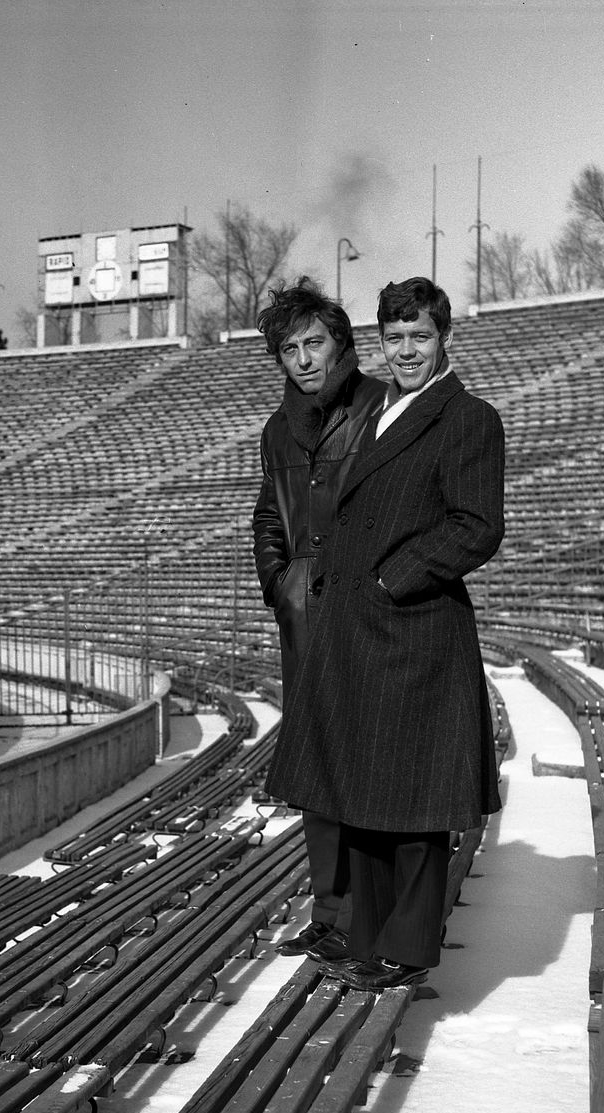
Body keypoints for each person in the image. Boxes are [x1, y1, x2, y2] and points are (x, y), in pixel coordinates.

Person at [263, 276, 505, 990]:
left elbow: (477, 526)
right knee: (367, 799)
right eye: (395, 338)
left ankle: (406, 946)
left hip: (416, 630)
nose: (406, 350)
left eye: (420, 337)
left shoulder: (468, 417)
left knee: (416, 807)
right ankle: (366, 939)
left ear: (444, 338)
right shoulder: (381, 413)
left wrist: (389, 579)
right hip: (360, 634)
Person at [252, 278, 387, 960]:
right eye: (289, 349)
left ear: (343, 345)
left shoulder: (380, 407)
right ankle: (329, 912)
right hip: (305, 617)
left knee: (367, 766)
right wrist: (282, 585)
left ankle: (366, 914)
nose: (303, 359)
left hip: (364, 614)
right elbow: (270, 517)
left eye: (315, 343)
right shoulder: (279, 428)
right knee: (317, 771)